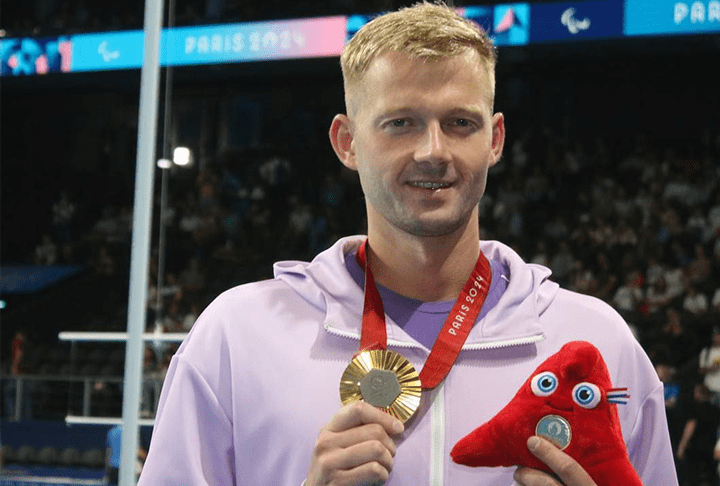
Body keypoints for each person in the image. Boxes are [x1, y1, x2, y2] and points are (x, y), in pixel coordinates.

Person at [138, 3, 678, 485]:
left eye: (460, 123)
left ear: (494, 140)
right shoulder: (237, 337)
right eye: (401, 123)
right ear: (347, 142)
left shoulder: (595, 341)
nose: (433, 151)